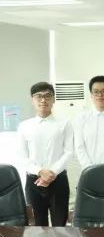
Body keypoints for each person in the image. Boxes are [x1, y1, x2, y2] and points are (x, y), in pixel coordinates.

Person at [17, 82, 73, 226]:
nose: (43, 100)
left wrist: (51, 173)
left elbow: (69, 152)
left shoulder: (65, 123)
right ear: (32, 100)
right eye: (39, 96)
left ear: (53, 99)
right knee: (37, 227)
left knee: (60, 226)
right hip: (33, 182)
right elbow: (22, 156)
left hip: (58, 181)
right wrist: (41, 172)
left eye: (48, 96)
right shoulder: (24, 126)